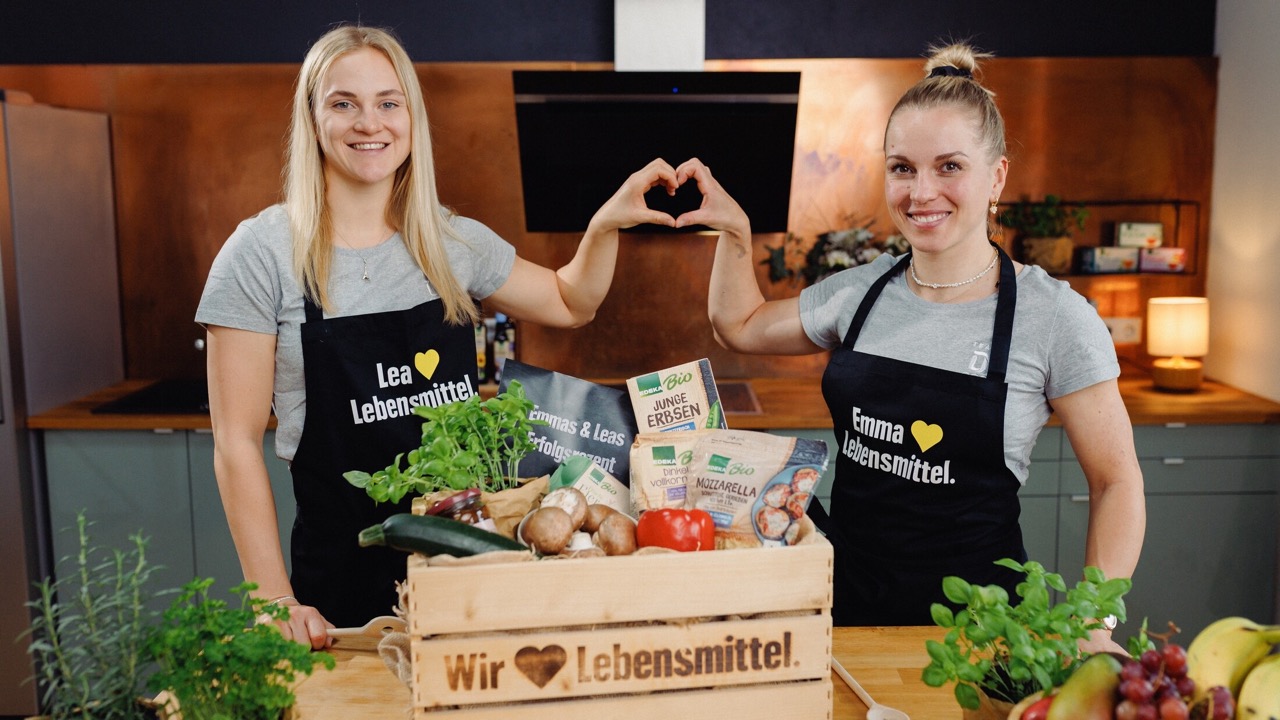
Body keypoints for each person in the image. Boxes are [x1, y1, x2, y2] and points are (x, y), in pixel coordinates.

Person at [195, 24, 683, 648]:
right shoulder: (262, 255)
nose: (369, 123)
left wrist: (606, 223)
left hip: (470, 575)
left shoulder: (449, 242)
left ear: (411, 119)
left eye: (388, 102)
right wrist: (274, 600)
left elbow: (569, 301)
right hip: (341, 582)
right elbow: (235, 442)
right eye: (343, 103)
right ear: (313, 118)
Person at [683, 42, 1144, 649]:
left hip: (979, 635)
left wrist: (1093, 621)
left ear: (997, 176)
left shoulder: (1053, 316)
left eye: (949, 166)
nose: (921, 192)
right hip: (842, 612)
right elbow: (740, 324)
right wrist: (734, 230)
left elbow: (1116, 482)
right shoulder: (861, 290)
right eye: (902, 168)